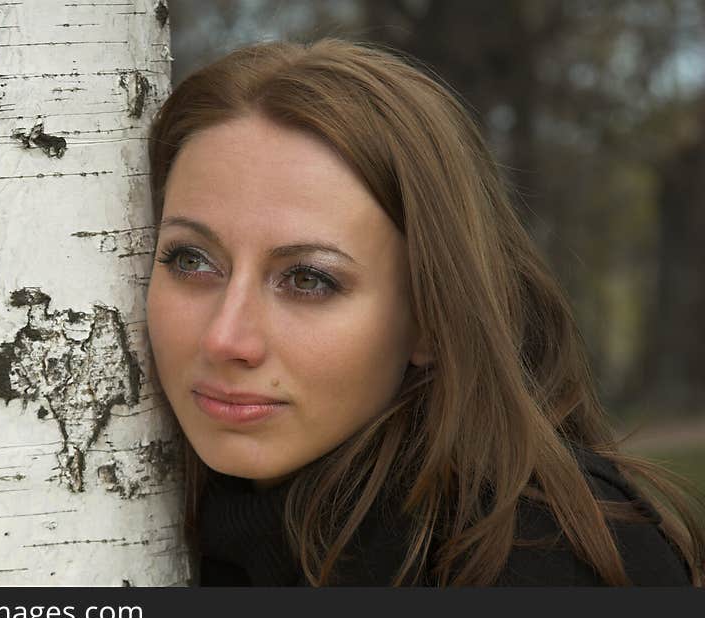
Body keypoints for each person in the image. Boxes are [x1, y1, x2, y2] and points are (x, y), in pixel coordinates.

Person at [144, 38, 705, 586]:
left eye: (308, 279)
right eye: (192, 260)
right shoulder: (143, 534)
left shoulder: (547, 562)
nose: (226, 338)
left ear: (431, 319)